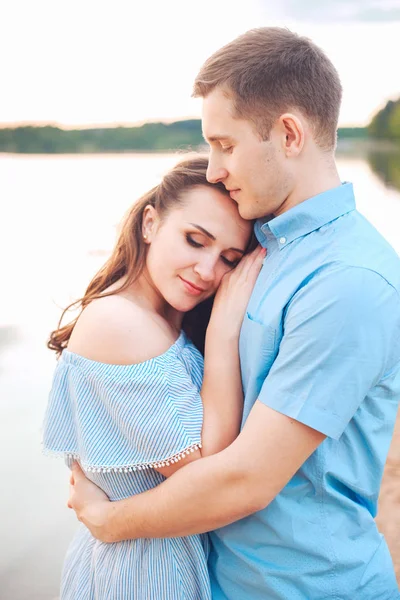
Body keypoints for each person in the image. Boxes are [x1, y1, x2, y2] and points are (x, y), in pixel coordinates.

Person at [68, 28, 400, 599]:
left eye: (226, 144)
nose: (215, 168)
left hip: (302, 587)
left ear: (289, 134)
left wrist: (107, 522)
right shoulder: (257, 250)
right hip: (218, 578)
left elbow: (246, 481)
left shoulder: (348, 281)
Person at [42, 154, 264, 599]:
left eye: (229, 259)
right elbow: (207, 471)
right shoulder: (118, 322)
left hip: (161, 559)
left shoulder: (166, 319)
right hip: (137, 575)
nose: (208, 271)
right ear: (149, 224)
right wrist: (223, 332)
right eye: (195, 240)